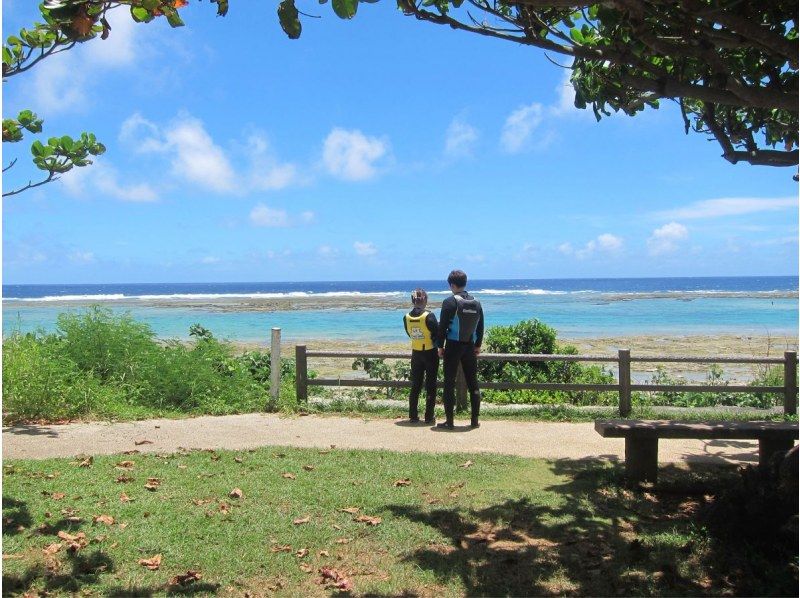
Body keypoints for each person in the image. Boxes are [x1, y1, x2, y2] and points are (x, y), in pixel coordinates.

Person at [435, 270, 484, 430]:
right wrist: (477, 345)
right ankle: (474, 420)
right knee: (473, 383)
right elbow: (480, 326)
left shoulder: (450, 302)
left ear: (452, 285)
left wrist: (439, 346)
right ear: (465, 283)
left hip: (453, 346)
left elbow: (442, 327)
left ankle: (450, 421)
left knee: (449, 384)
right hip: (469, 346)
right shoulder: (477, 302)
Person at [403, 288, 439, 423]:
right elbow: (437, 333)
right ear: (425, 300)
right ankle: (429, 416)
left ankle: (413, 415)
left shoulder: (406, 317)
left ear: (412, 301)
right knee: (431, 385)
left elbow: (409, 333)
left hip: (416, 353)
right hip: (430, 352)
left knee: (415, 385)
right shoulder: (429, 316)